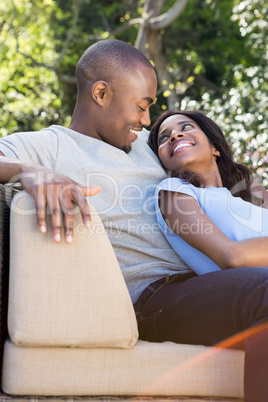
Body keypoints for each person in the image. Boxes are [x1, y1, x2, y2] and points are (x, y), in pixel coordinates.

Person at [0, 39, 267, 401]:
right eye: (142, 107)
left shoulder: (146, 146)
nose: (146, 122)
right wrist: (27, 169)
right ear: (100, 93)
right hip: (154, 299)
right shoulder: (51, 146)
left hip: (208, 282)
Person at [148, 110, 268, 275]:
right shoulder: (172, 190)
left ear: (215, 148)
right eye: (164, 138)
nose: (175, 135)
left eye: (186, 127)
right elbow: (231, 257)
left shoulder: (248, 193)